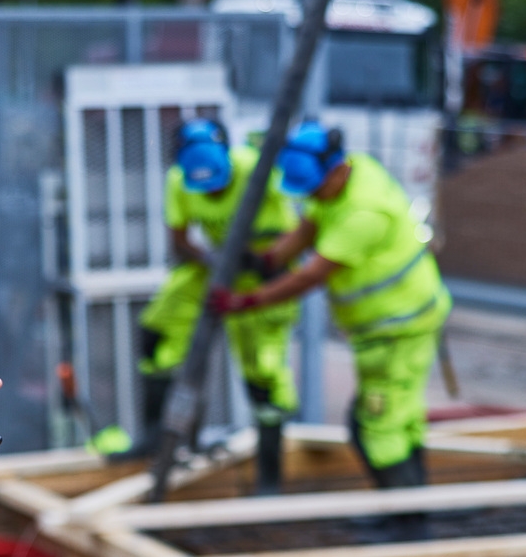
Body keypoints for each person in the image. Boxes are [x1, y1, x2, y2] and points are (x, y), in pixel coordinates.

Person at [214, 122, 449, 489]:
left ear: (337, 172)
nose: (312, 197)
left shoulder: (363, 213)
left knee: (376, 426)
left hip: (398, 327)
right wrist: (269, 260)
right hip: (392, 324)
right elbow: (309, 224)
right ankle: (410, 508)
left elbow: (310, 276)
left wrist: (247, 301)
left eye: (315, 189)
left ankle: (408, 522)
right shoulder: (347, 177)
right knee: (401, 417)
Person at [135, 118, 300, 491]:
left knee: (265, 375)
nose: (210, 194)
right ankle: (162, 441)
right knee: (157, 332)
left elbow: (298, 231)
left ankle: (270, 478)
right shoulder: (179, 180)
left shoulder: (255, 171)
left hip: (261, 270)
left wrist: (264, 262)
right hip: (216, 266)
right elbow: (180, 239)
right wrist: (211, 262)